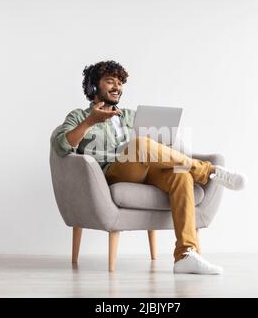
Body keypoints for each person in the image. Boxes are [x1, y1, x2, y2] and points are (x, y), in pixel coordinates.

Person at [51, 60, 247, 275]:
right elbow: (62, 145)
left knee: (181, 176)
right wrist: (90, 121)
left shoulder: (130, 116)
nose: (117, 87)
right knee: (140, 144)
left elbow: (156, 147)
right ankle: (208, 171)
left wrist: (166, 142)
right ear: (93, 87)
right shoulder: (79, 116)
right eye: (110, 81)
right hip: (113, 172)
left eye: (120, 83)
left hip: (146, 169)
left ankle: (185, 254)